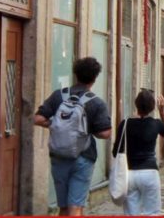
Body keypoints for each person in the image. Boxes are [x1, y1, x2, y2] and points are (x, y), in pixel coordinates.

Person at [34, 57, 113, 216]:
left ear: (75, 75)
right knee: (76, 207)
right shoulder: (96, 103)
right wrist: (85, 129)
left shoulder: (58, 96)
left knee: (63, 207)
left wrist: (56, 124)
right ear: (94, 78)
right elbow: (105, 133)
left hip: (58, 156)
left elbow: (38, 119)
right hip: (83, 157)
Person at [112, 90, 164, 215]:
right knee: (152, 212)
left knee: (131, 213)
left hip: (130, 174)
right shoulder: (156, 124)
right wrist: (162, 112)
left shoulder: (125, 124)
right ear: (152, 107)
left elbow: (115, 152)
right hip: (150, 173)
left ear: (136, 104)